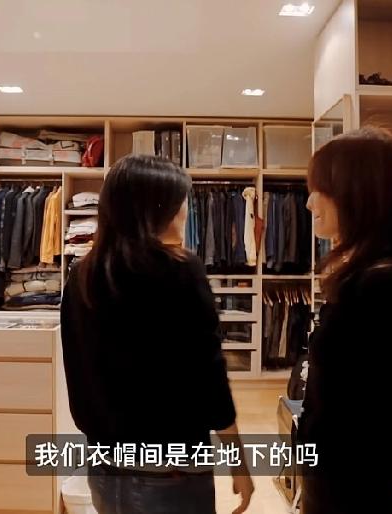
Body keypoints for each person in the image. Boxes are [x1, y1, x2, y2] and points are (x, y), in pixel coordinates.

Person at [60, 154, 255, 514]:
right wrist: (238, 460)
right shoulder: (180, 272)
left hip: (104, 466)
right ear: (154, 211)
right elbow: (209, 378)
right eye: (180, 203)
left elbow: (78, 372)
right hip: (170, 472)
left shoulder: (83, 275)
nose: (186, 213)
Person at [299, 127, 392, 514]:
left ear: (358, 194)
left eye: (320, 189)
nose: (308, 203)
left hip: (357, 487)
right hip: (332, 474)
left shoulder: (387, 284)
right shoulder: (360, 275)